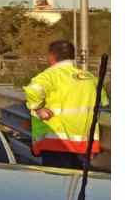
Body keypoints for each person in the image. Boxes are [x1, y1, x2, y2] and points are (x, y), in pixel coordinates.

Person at [23, 40, 108, 169]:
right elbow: (104, 102)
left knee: (56, 185)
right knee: (76, 184)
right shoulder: (90, 78)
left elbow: (33, 90)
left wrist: (38, 108)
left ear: (51, 56)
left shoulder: (50, 76)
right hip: (84, 144)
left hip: (56, 142)